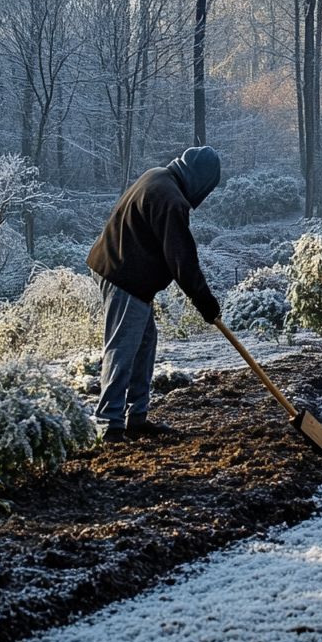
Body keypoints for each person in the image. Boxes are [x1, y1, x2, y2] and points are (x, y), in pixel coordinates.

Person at [86, 146, 222, 444]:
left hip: (116, 266)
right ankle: (109, 424)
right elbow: (182, 260)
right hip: (124, 275)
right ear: (201, 180)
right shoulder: (171, 199)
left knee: (144, 343)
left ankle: (136, 417)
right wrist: (205, 302)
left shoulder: (157, 177)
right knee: (122, 348)